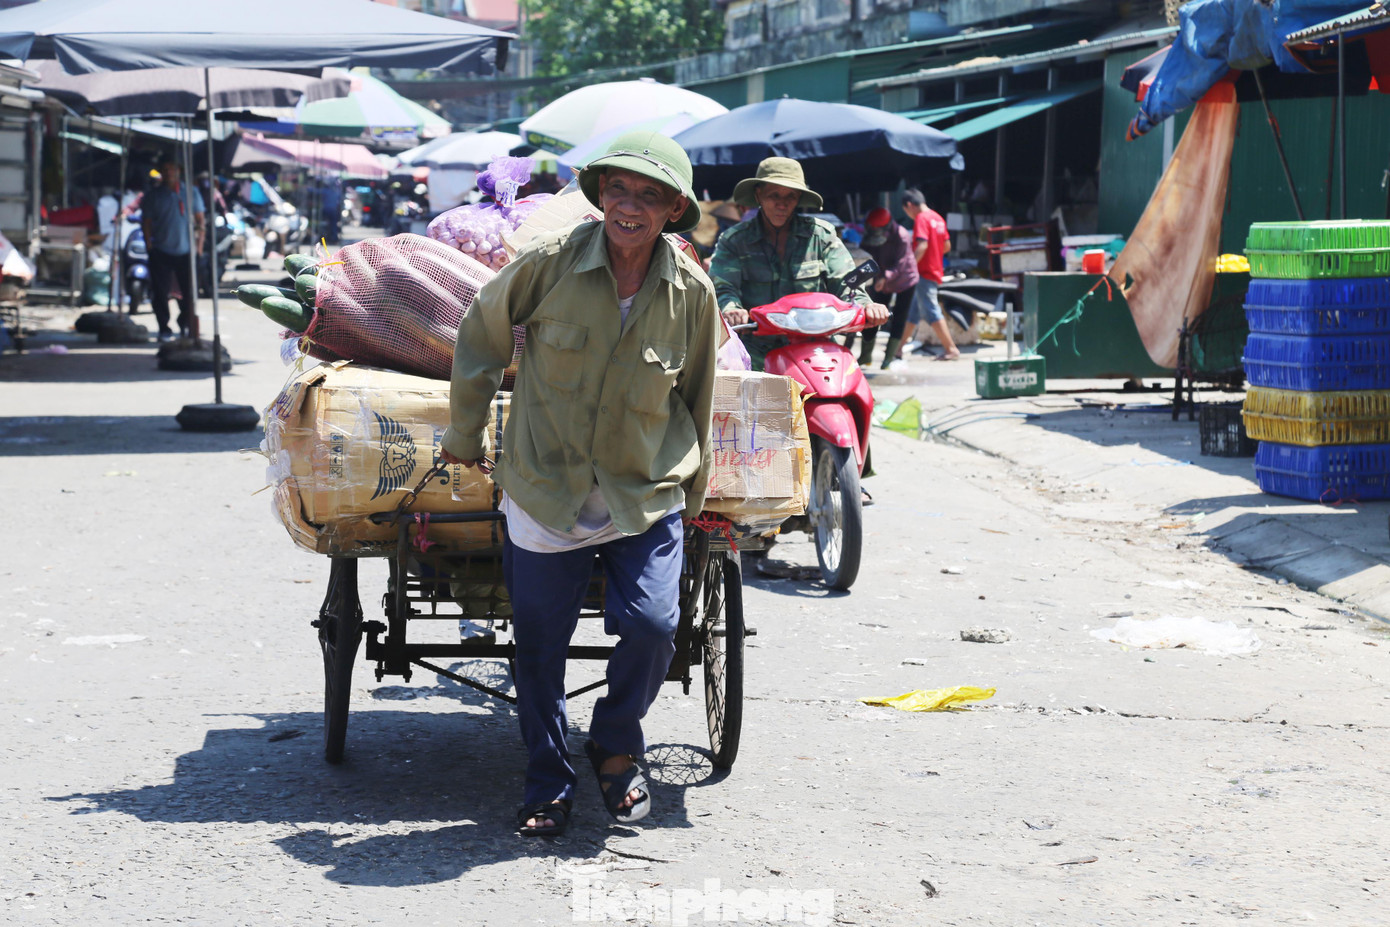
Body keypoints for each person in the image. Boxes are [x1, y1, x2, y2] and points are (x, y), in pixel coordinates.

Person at [438, 131, 718, 838]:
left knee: (655, 626)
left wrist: (694, 496)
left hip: (642, 488)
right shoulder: (551, 263)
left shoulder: (691, 292)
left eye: (649, 196)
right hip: (546, 483)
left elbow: (698, 395)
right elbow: (482, 332)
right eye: (618, 189)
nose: (630, 206)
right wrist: (466, 433)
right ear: (599, 196)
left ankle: (615, 743)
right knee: (539, 645)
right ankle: (547, 779)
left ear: (674, 210)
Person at [708, 157, 887, 370]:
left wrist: (866, 306)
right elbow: (723, 287)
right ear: (758, 195)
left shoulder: (821, 236)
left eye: (790, 196)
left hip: (817, 351)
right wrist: (732, 309)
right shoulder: (734, 241)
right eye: (774, 195)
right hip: (755, 355)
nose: (782, 203)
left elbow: (846, 283)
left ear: (799, 199)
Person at [142, 159, 205, 341]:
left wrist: (199, 247)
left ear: (179, 170)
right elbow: (146, 222)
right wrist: (149, 245)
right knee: (160, 293)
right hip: (161, 250)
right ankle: (164, 328)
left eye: (172, 168)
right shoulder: (153, 195)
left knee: (189, 293)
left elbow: (201, 220)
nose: (169, 172)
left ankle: (184, 323)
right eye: (165, 169)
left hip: (187, 251)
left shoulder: (191, 192)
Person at [899, 188, 959, 360]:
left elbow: (922, 245)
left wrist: (909, 266)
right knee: (913, 313)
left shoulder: (921, 218)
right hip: (934, 270)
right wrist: (934, 254)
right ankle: (897, 349)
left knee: (932, 311)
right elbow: (946, 246)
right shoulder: (938, 218)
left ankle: (951, 349)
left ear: (909, 205)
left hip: (923, 272)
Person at [857, 207, 919, 369]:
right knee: (872, 316)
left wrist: (885, 277)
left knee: (899, 317)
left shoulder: (901, 235)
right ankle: (865, 356)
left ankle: (888, 359)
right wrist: (873, 278)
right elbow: (866, 255)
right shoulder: (870, 235)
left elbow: (901, 263)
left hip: (904, 279)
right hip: (880, 279)